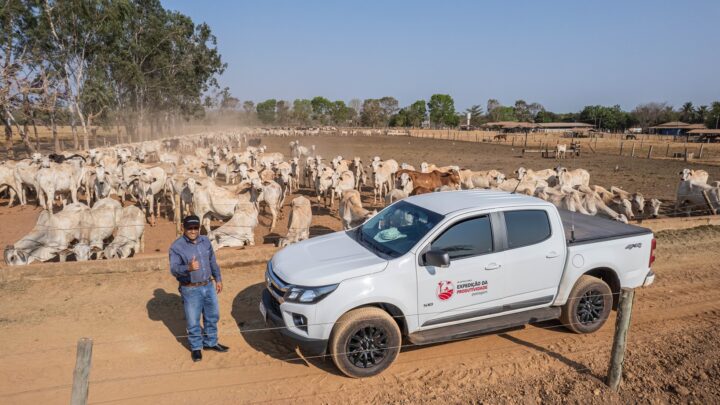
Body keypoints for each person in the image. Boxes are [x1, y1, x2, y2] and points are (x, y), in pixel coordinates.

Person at [169, 215, 229, 362]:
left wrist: (218, 279)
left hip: (208, 285)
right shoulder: (177, 247)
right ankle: (196, 347)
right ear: (184, 228)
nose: (193, 231)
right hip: (190, 289)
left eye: (196, 228)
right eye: (190, 228)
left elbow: (212, 261)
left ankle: (210, 342)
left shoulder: (205, 241)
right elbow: (174, 269)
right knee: (193, 321)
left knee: (212, 316)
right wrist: (188, 267)